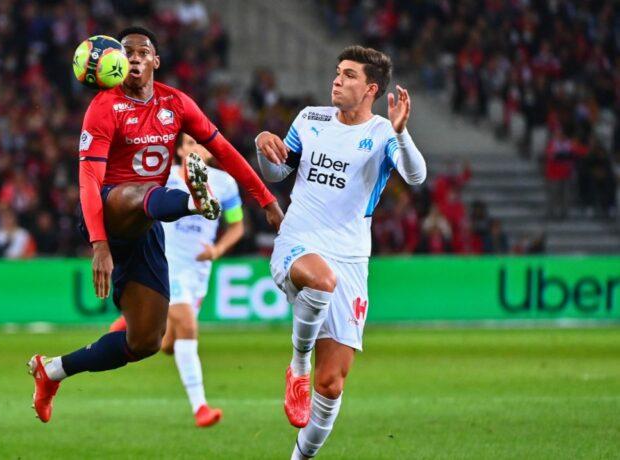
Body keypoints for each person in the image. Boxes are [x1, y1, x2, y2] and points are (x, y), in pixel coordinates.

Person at [28, 27, 283, 423]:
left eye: (142, 51)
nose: (134, 57)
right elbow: (89, 180)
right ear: (115, 61)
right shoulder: (103, 107)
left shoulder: (175, 103)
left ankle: (53, 371)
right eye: (126, 52)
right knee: (143, 190)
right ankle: (194, 202)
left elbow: (224, 151)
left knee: (146, 340)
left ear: (155, 61)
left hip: (146, 228)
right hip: (109, 211)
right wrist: (99, 245)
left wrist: (266, 199)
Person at [255, 45, 426, 459]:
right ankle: (298, 365)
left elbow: (415, 176)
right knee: (320, 279)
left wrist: (401, 132)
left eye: (349, 75)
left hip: (350, 258)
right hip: (298, 241)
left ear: (370, 89)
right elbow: (278, 172)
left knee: (331, 385)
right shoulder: (310, 119)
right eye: (337, 72)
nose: (337, 79)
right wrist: (263, 145)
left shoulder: (383, 133)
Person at [108, 133, 245, 427]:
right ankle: (200, 407)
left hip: (198, 270)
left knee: (169, 344)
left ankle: (135, 323)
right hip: (166, 262)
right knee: (188, 326)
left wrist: (217, 250)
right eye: (190, 143)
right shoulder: (164, 177)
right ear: (181, 150)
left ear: (209, 152)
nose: (196, 148)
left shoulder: (225, 184)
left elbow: (237, 226)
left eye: (201, 144)